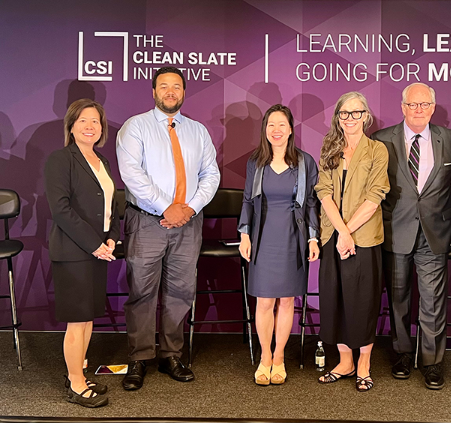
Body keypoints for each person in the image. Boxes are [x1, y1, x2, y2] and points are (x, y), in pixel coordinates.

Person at [116, 66, 220, 390]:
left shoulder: (198, 131)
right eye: (164, 86)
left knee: (180, 291)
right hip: (146, 220)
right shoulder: (135, 127)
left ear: (184, 92)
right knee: (142, 291)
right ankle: (139, 357)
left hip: (188, 222)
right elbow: (132, 175)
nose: (170, 92)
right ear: (154, 92)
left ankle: (172, 354)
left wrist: (188, 208)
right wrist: (167, 207)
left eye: (177, 86)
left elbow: (211, 174)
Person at [371, 82, 451, 390]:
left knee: (432, 300)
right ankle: (402, 354)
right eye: (412, 105)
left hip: (435, 231)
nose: (418, 110)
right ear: (402, 107)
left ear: (433, 108)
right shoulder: (382, 140)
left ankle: (432, 361)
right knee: (398, 298)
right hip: (395, 231)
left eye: (424, 105)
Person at [44, 99, 120, 408]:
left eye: (96, 121)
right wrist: (94, 244)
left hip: (99, 250)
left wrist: (112, 238)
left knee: (87, 318)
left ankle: (79, 372)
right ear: (71, 126)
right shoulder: (60, 160)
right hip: (75, 251)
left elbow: (112, 206)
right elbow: (61, 210)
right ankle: (75, 383)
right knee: (77, 321)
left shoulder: (103, 161)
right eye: (83, 120)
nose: (90, 126)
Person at [238, 104, 319, 385]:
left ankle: (279, 357)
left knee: (286, 301)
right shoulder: (256, 162)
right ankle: (264, 358)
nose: (276, 130)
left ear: (290, 129)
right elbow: (248, 200)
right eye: (271, 125)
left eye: (282, 124)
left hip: (292, 238)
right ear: (265, 129)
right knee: (263, 301)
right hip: (262, 238)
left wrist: (312, 237)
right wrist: (244, 234)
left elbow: (311, 203)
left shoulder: (305, 163)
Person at [315, 92, 389, 392]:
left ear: (365, 116)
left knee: (363, 302)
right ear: (337, 117)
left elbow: (375, 195)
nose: (349, 119)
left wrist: (349, 232)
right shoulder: (329, 146)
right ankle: (345, 362)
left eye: (355, 113)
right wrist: (341, 233)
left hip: (365, 238)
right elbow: (323, 191)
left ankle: (364, 365)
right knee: (336, 300)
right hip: (333, 235)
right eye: (344, 114)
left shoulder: (377, 150)